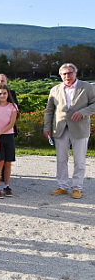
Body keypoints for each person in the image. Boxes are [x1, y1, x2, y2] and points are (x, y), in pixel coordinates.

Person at [43, 63, 95, 199]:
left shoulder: (87, 87)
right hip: (60, 128)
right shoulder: (55, 89)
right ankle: (62, 186)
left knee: (79, 160)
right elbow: (49, 110)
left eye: (70, 73)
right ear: (60, 75)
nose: (67, 76)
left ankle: (77, 188)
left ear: (75, 73)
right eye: (64, 74)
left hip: (80, 128)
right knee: (61, 160)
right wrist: (46, 128)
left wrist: (83, 112)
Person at [0, 85, 18, 198]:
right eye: (0, 93)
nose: (2, 95)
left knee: (8, 162)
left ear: (8, 94)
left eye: (4, 93)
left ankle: (6, 186)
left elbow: (11, 124)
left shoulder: (13, 106)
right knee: (0, 162)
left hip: (8, 136)